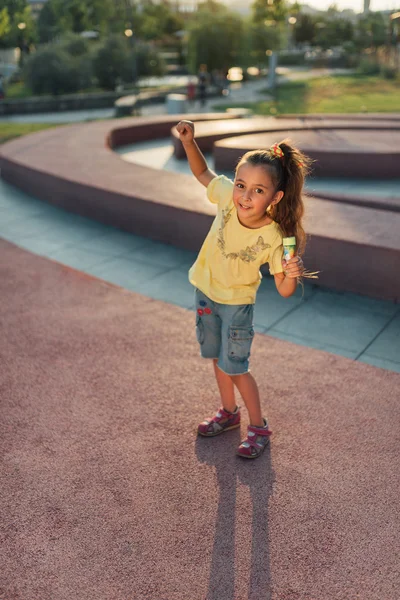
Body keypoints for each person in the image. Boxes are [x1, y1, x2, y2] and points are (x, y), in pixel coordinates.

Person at [176, 119, 314, 459]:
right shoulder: (226, 197)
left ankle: (259, 426)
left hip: (237, 305)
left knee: (236, 367)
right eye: (241, 185)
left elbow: (283, 289)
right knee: (217, 359)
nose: (245, 196)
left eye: (258, 190)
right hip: (206, 293)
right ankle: (228, 413)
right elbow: (202, 173)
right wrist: (189, 143)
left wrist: (292, 271)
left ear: (275, 197)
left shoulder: (277, 237)